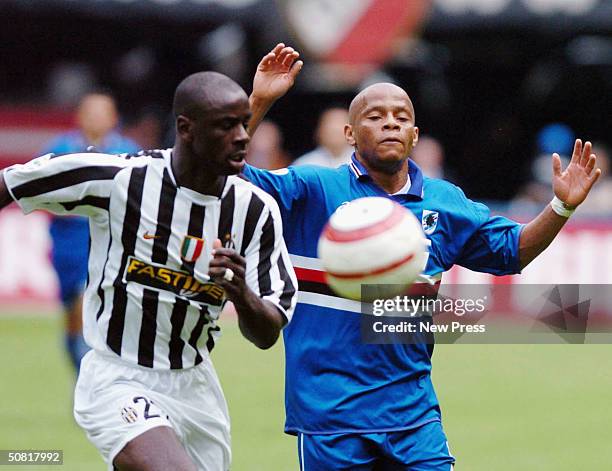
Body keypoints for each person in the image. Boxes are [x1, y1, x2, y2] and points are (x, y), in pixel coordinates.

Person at [243, 43, 601, 470]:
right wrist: (258, 102)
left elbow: (512, 251)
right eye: (375, 117)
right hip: (329, 420)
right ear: (350, 134)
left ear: (414, 134)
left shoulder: (444, 203)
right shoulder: (312, 189)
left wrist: (561, 207)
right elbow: (229, 174)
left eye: (402, 117)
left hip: (413, 417)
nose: (390, 123)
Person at [0, 71, 297, 471]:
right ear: (186, 129)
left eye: (244, 123)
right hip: (117, 375)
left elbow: (266, 333)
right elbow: (13, 183)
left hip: (195, 385)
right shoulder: (121, 179)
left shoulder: (255, 210)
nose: (244, 136)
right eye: (227, 126)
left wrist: (240, 292)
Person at [42, 92, 140, 373]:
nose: (97, 118)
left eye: (103, 112)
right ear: (80, 117)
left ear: (113, 117)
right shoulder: (60, 148)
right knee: (74, 314)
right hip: (71, 245)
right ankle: (82, 372)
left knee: (99, 309)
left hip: (116, 244)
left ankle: (97, 377)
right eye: (91, 112)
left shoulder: (128, 150)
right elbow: (37, 191)